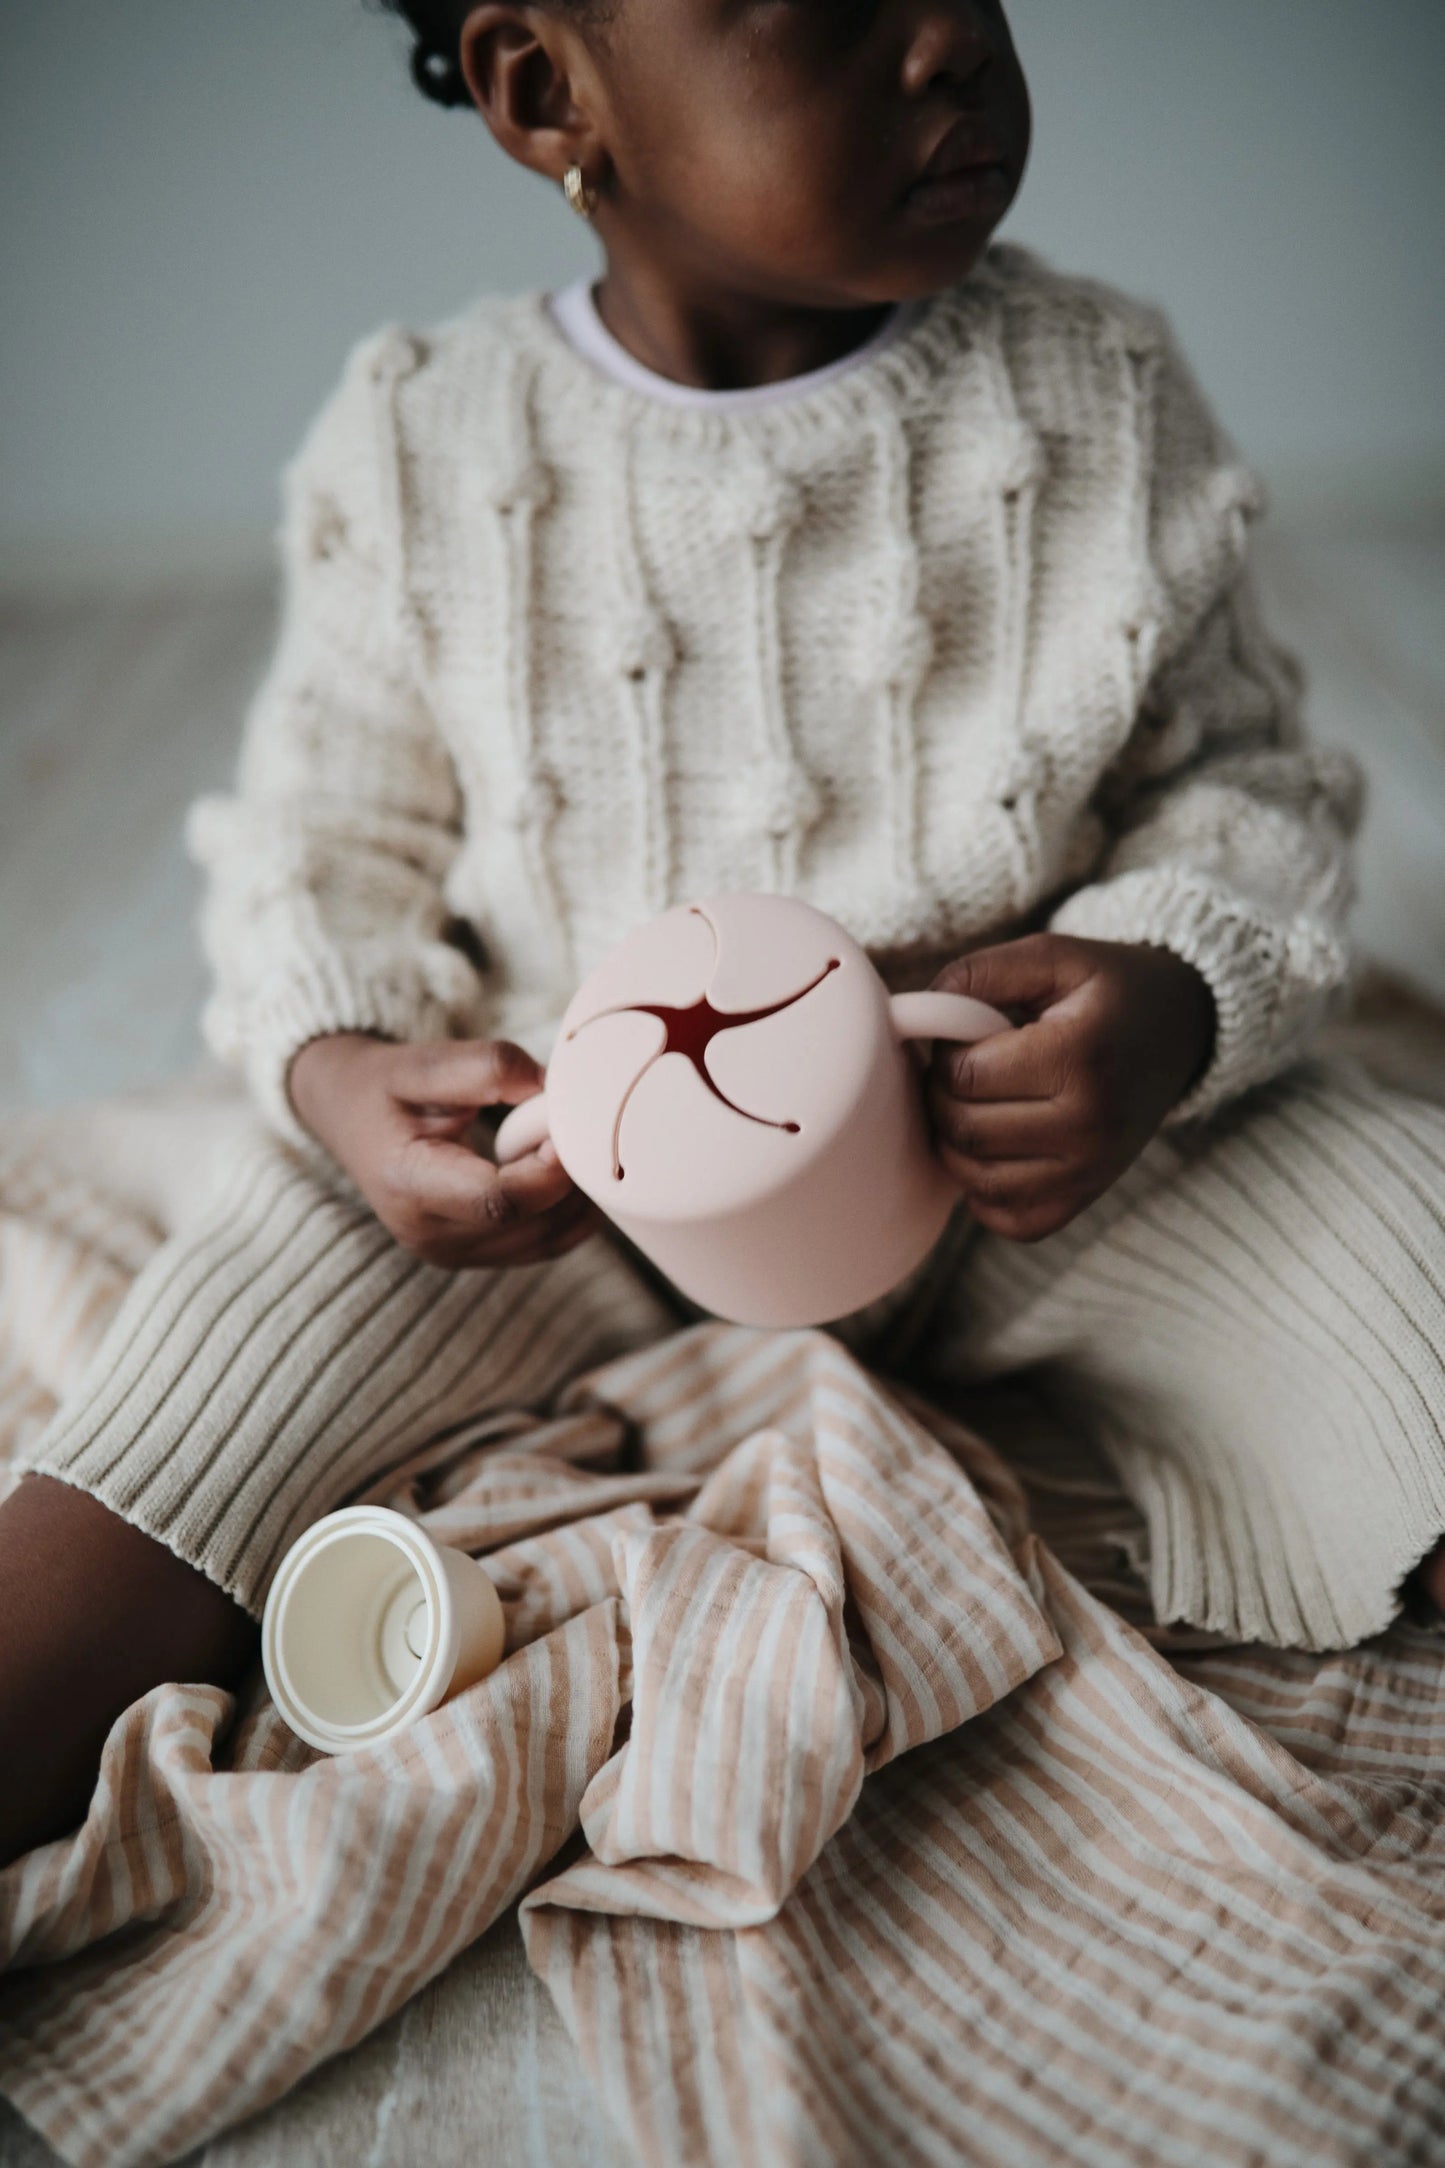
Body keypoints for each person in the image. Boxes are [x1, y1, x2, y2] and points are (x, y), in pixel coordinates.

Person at [2, 0, 1442, 1866]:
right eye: (832, 8)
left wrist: (1164, 991)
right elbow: (323, 840)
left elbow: (1243, 783)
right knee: (193, 1400)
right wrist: (347, 1067)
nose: (947, 47)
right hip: (560, 1195)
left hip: (1032, 1168)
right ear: (548, 92)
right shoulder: (427, 438)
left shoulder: (1095, 388)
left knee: (1404, 1241)